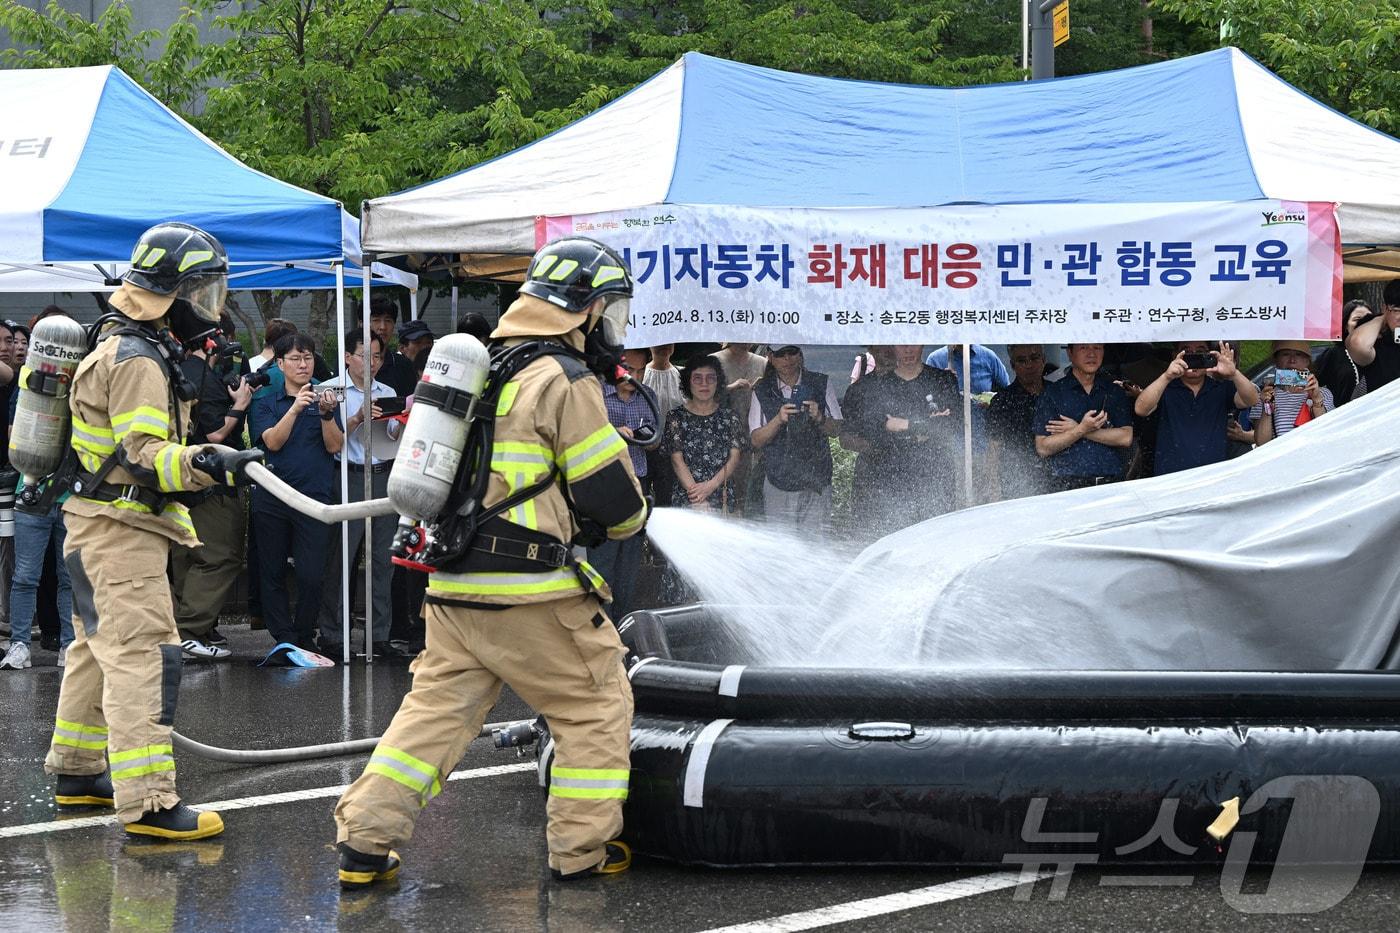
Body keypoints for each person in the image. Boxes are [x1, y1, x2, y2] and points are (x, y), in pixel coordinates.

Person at [333, 236, 647, 888]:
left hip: (453, 588)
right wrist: (621, 519)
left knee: (435, 713)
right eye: (608, 310)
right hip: (530, 591)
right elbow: (613, 499)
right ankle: (581, 850)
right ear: (583, 310)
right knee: (596, 705)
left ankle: (364, 837)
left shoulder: (488, 365)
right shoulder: (561, 377)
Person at [43, 222, 261, 841]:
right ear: (174, 291)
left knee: (93, 649)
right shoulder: (137, 358)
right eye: (204, 291)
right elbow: (141, 453)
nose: (209, 307)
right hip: (120, 528)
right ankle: (150, 804)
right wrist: (206, 462)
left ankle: (79, 771)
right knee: (144, 657)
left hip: (93, 525)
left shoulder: (119, 339)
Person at [249, 333, 341, 650]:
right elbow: (272, 442)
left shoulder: (325, 399)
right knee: (271, 571)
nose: (303, 365)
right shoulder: (265, 401)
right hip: (271, 497)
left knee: (312, 574)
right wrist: (295, 409)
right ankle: (283, 637)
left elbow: (335, 445)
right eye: (295, 359)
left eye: (308, 358)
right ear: (280, 364)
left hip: (314, 499)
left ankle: (304, 634)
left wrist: (328, 414)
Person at [169, 313, 253, 661]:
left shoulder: (173, 372)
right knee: (221, 556)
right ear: (212, 338)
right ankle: (188, 631)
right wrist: (240, 405)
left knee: (185, 557)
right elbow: (213, 437)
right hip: (211, 484)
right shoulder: (202, 378)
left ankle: (178, 631)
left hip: (175, 482)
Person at [316, 331, 403, 658]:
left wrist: (396, 426)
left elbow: (391, 442)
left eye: (378, 356)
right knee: (341, 558)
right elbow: (332, 443)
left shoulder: (388, 391)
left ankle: (378, 635)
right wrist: (357, 417)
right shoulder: (332, 389)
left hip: (382, 476)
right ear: (348, 357)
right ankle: (334, 635)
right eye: (365, 355)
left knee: (383, 559)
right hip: (347, 475)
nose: (372, 362)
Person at [850, 345, 963, 532]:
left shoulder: (943, 380)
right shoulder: (878, 386)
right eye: (902, 344)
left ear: (923, 344)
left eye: (914, 343)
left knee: (935, 542)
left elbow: (951, 425)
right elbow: (874, 430)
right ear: (892, 346)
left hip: (936, 477)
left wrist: (904, 425)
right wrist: (926, 426)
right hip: (891, 480)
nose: (908, 350)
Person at [589, 347, 660, 621]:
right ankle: (600, 625)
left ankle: (624, 626)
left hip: (637, 484)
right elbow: (583, 436)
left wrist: (647, 437)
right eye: (629, 370)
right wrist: (613, 434)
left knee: (630, 564)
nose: (635, 377)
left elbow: (655, 442)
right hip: (605, 487)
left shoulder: (648, 396)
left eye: (641, 371)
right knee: (603, 562)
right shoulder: (595, 394)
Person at [748, 346, 842, 531]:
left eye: (792, 352)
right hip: (778, 480)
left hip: (816, 480)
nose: (787, 359)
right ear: (770, 357)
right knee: (781, 547)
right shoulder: (761, 389)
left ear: (800, 354)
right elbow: (756, 440)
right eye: (780, 354)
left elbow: (837, 429)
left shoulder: (821, 382)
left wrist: (819, 417)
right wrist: (778, 420)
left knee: (816, 546)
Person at [1132, 341, 1258, 475]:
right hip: (1170, 479)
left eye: (1200, 351)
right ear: (1176, 355)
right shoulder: (1165, 388)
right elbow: (1141, 409)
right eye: (1186, 351)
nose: (1193, 356)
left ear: (1209, 356)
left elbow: (1251, 400)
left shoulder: (1221, 388)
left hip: (1212, 477)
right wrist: (1166, 376)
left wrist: (1234, 373)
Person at [1033, 343, 1134, 490]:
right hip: (1066, 485)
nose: (1091, 354)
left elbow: (1125, 438)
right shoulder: (1052, 393)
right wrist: (1081, 429)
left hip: (1110, 483)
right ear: (1070, 353)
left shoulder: (1113, 391)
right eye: (1083, 348)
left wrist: (1081, 429)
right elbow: (1043, 447)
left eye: (1097, 348)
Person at [667, 356, 746, 512]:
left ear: (718, 382)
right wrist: (698, 498)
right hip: (688, 496)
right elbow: (677, 461)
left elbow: (735, 457)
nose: (704, 384)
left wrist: (710, 487)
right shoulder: (675, 417)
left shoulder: (730, 417)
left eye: (711, 378)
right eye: (697, 378)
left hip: (721, 494)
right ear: (688, 382)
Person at [986, 344, 1054, 501]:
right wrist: (994, 490)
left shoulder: (1057, 394)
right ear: (1012, 365)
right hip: (1016, 478)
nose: (1029, 365)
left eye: (1034, 358)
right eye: (1021, 360)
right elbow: (993, 448)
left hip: (1057, 476)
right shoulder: (1001, 401)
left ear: (1043, 360)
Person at [838, 346, 896, 521]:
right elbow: (845, 439)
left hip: (912, 471)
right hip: (871, 474)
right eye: (882, 346)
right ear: (871, 349)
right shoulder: (858, 390)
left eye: (892, 345)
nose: (887, 350)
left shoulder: (919, 384)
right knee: (866, 528)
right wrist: (874, 448)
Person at [710, 343, 768, 514]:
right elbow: (700, 395)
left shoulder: (762, 362)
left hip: (754, 434)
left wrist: (760, 388)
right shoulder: (714, 360)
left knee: (748, 488)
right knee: (721, 490)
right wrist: (730, 388)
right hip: (720, 436)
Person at [1251, 341, 1334, 446]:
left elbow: (1329, 431)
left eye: (1298, 354)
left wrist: (1316, 399)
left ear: (1307, 361)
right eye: (1286, 354)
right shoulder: (1265, 395)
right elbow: (1261, 442)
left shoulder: (1323, 393)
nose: (1292, 360)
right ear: (1276, 360)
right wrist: (1267, 405)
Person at [642, 344, 682, 508]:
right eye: (659, 345)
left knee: (666, 495)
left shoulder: (681, 374)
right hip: (645, 445)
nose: (664, 348)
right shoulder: (641, 374)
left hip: (673, 446)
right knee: (642, 494)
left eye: (668, 344)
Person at [1344, 280, 1400, 395]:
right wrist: (1383, 318)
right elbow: (1357, 343)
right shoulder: (1377, 343)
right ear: (1384, 309)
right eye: (1396, 310)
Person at [1315, 300, 1374, 406]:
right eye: (1357, 319)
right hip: (1342, 419)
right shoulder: (1333, 355)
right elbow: (1309, 381)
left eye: (1369, 319)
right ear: (1346, 325)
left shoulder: (1384, 353)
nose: (1364, 323)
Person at [368, 296, 419, 395]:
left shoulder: (403, 365)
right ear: (362, 323)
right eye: (376, 320)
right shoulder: (348, 362)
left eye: (388, 321)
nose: (382, 327)